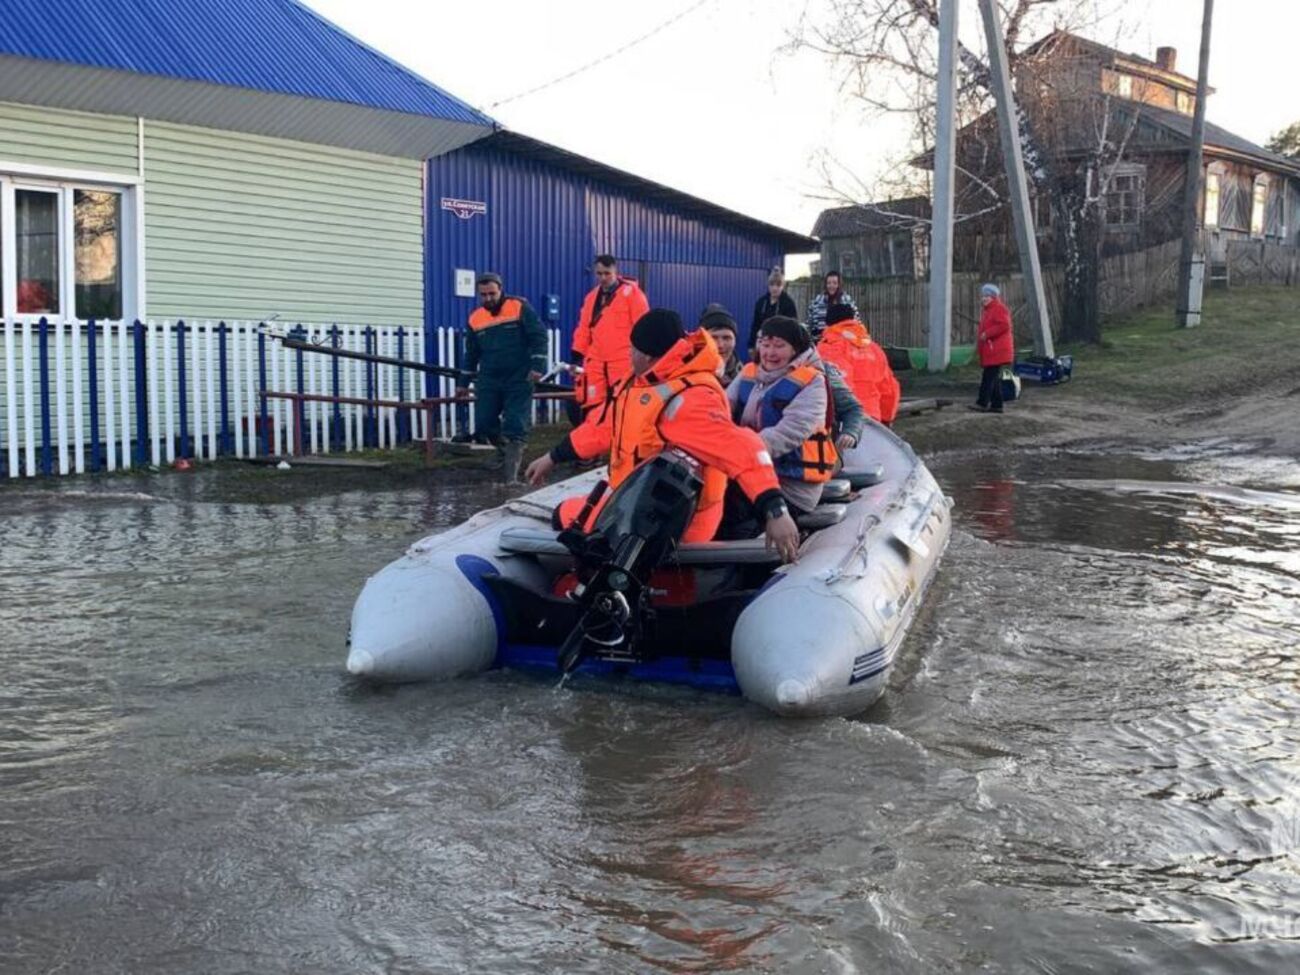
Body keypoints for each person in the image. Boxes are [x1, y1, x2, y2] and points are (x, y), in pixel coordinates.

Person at [526, 309, 801, 562]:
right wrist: (553, 456)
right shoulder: (640, 382)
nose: (629, 355)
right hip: (633, 502)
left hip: (676, 516)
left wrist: (774, 509)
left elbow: (743, 446)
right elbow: (603, 428)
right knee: (564, 513)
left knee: (567, 520)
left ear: (647, 355)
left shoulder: (687, 398)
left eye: (632, 349)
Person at [725, 315, 838, 521]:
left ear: (795, 349)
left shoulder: (812, 382)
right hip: (748, 470)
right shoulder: (750, 372)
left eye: (779, 346)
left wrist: (739, 450)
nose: (769, 353)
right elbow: (722, 407)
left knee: (732, 516)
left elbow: (791, 431)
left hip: (791, 488)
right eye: (765, 344)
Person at [454, 273, 548, 482]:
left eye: (492, 294)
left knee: (515, 424)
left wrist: (537, 365)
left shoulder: (519, 307)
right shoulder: (475, 318)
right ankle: (504, 451)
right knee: (483, 422)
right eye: (483, 295)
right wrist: (463, 383)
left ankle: (510, 479)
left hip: (519, 376)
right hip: (489, 378)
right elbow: (471, 354)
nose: (488, 299)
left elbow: (538, 337)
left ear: (501, 290)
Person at [568, 254, 650, 417]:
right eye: (599, 274)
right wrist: (577, 355)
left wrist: (643, 358)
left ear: (615, 272)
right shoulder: (591, 298)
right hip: (596, 362)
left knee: (623, 402)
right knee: (593, 404)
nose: (603, 278)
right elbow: (584, 328)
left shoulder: (633, 295)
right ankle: (596, 439)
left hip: (622, 361)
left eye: (607, 273)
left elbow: (643, 328)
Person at [816, 304, 901, 425]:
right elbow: (889, 388)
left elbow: (837, 386)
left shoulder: (828, 348)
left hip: (843, 422)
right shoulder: (874, 349)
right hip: (873, 418)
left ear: (828, 324)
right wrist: (887, 418)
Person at [972, 283, 1014, 414]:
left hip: (997, 350)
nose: (984, 298)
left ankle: (982, 403)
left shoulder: (999, 309)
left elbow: (1004, 325)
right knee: (993, 378)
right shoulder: (989, 310)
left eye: (987, 296)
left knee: (988, 377)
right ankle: (997, 405)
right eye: (983, 296)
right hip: (992, 350)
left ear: (993, 297)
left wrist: (987, 334)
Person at [749, 268, 798, 352]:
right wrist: (751, 345)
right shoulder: (761, 302)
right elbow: (755, 325)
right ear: (768, 285)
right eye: (772, 285)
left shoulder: (788, 303)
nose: (775, 288)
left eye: (778, 285)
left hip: (781, 344)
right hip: (762, 342)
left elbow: (793, 327)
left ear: (783, 286)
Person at [699, 303, 742, 384]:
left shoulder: (746, 376)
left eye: (727, 338)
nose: (720, 345)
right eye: (713, 338)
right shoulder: (688, 373)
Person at [806, 270, 858, 336]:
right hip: (821, 341)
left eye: (834, 283)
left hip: (842, 341)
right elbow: (809, 324)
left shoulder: (848, 302)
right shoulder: (817, 302)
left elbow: (856, 323)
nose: (831, 286)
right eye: (829, 283)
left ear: (839, 284)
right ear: (825, 284)